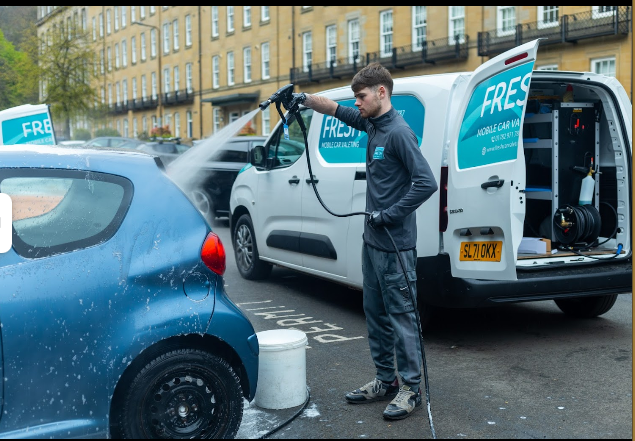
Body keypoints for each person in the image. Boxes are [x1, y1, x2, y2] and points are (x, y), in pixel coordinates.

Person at [293, 62, 438, 420]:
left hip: (395, 245)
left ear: (381, 93)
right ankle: (385, 381)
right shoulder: (372, 124)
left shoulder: (399, 133)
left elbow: (426, 183)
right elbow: (337, 110)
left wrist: (388, 215)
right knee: (374, 314)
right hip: (372, 244)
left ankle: (409, 389)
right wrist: (303, 99)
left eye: (361, 96)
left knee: (402, 317)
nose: (356, 102)